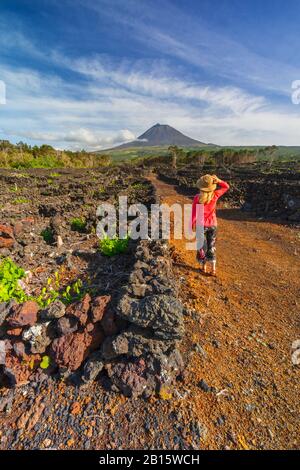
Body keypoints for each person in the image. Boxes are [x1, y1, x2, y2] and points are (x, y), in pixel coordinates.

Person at [191, 174, 229, 276]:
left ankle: (204, 267)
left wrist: (191, 224)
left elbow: (194, 213)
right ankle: (213, 269)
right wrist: (219, 180)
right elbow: (226, 187)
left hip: (201, 225)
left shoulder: (197, 198)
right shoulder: (215, 196)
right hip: (213, 224)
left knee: (202, 247)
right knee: (211, 246)